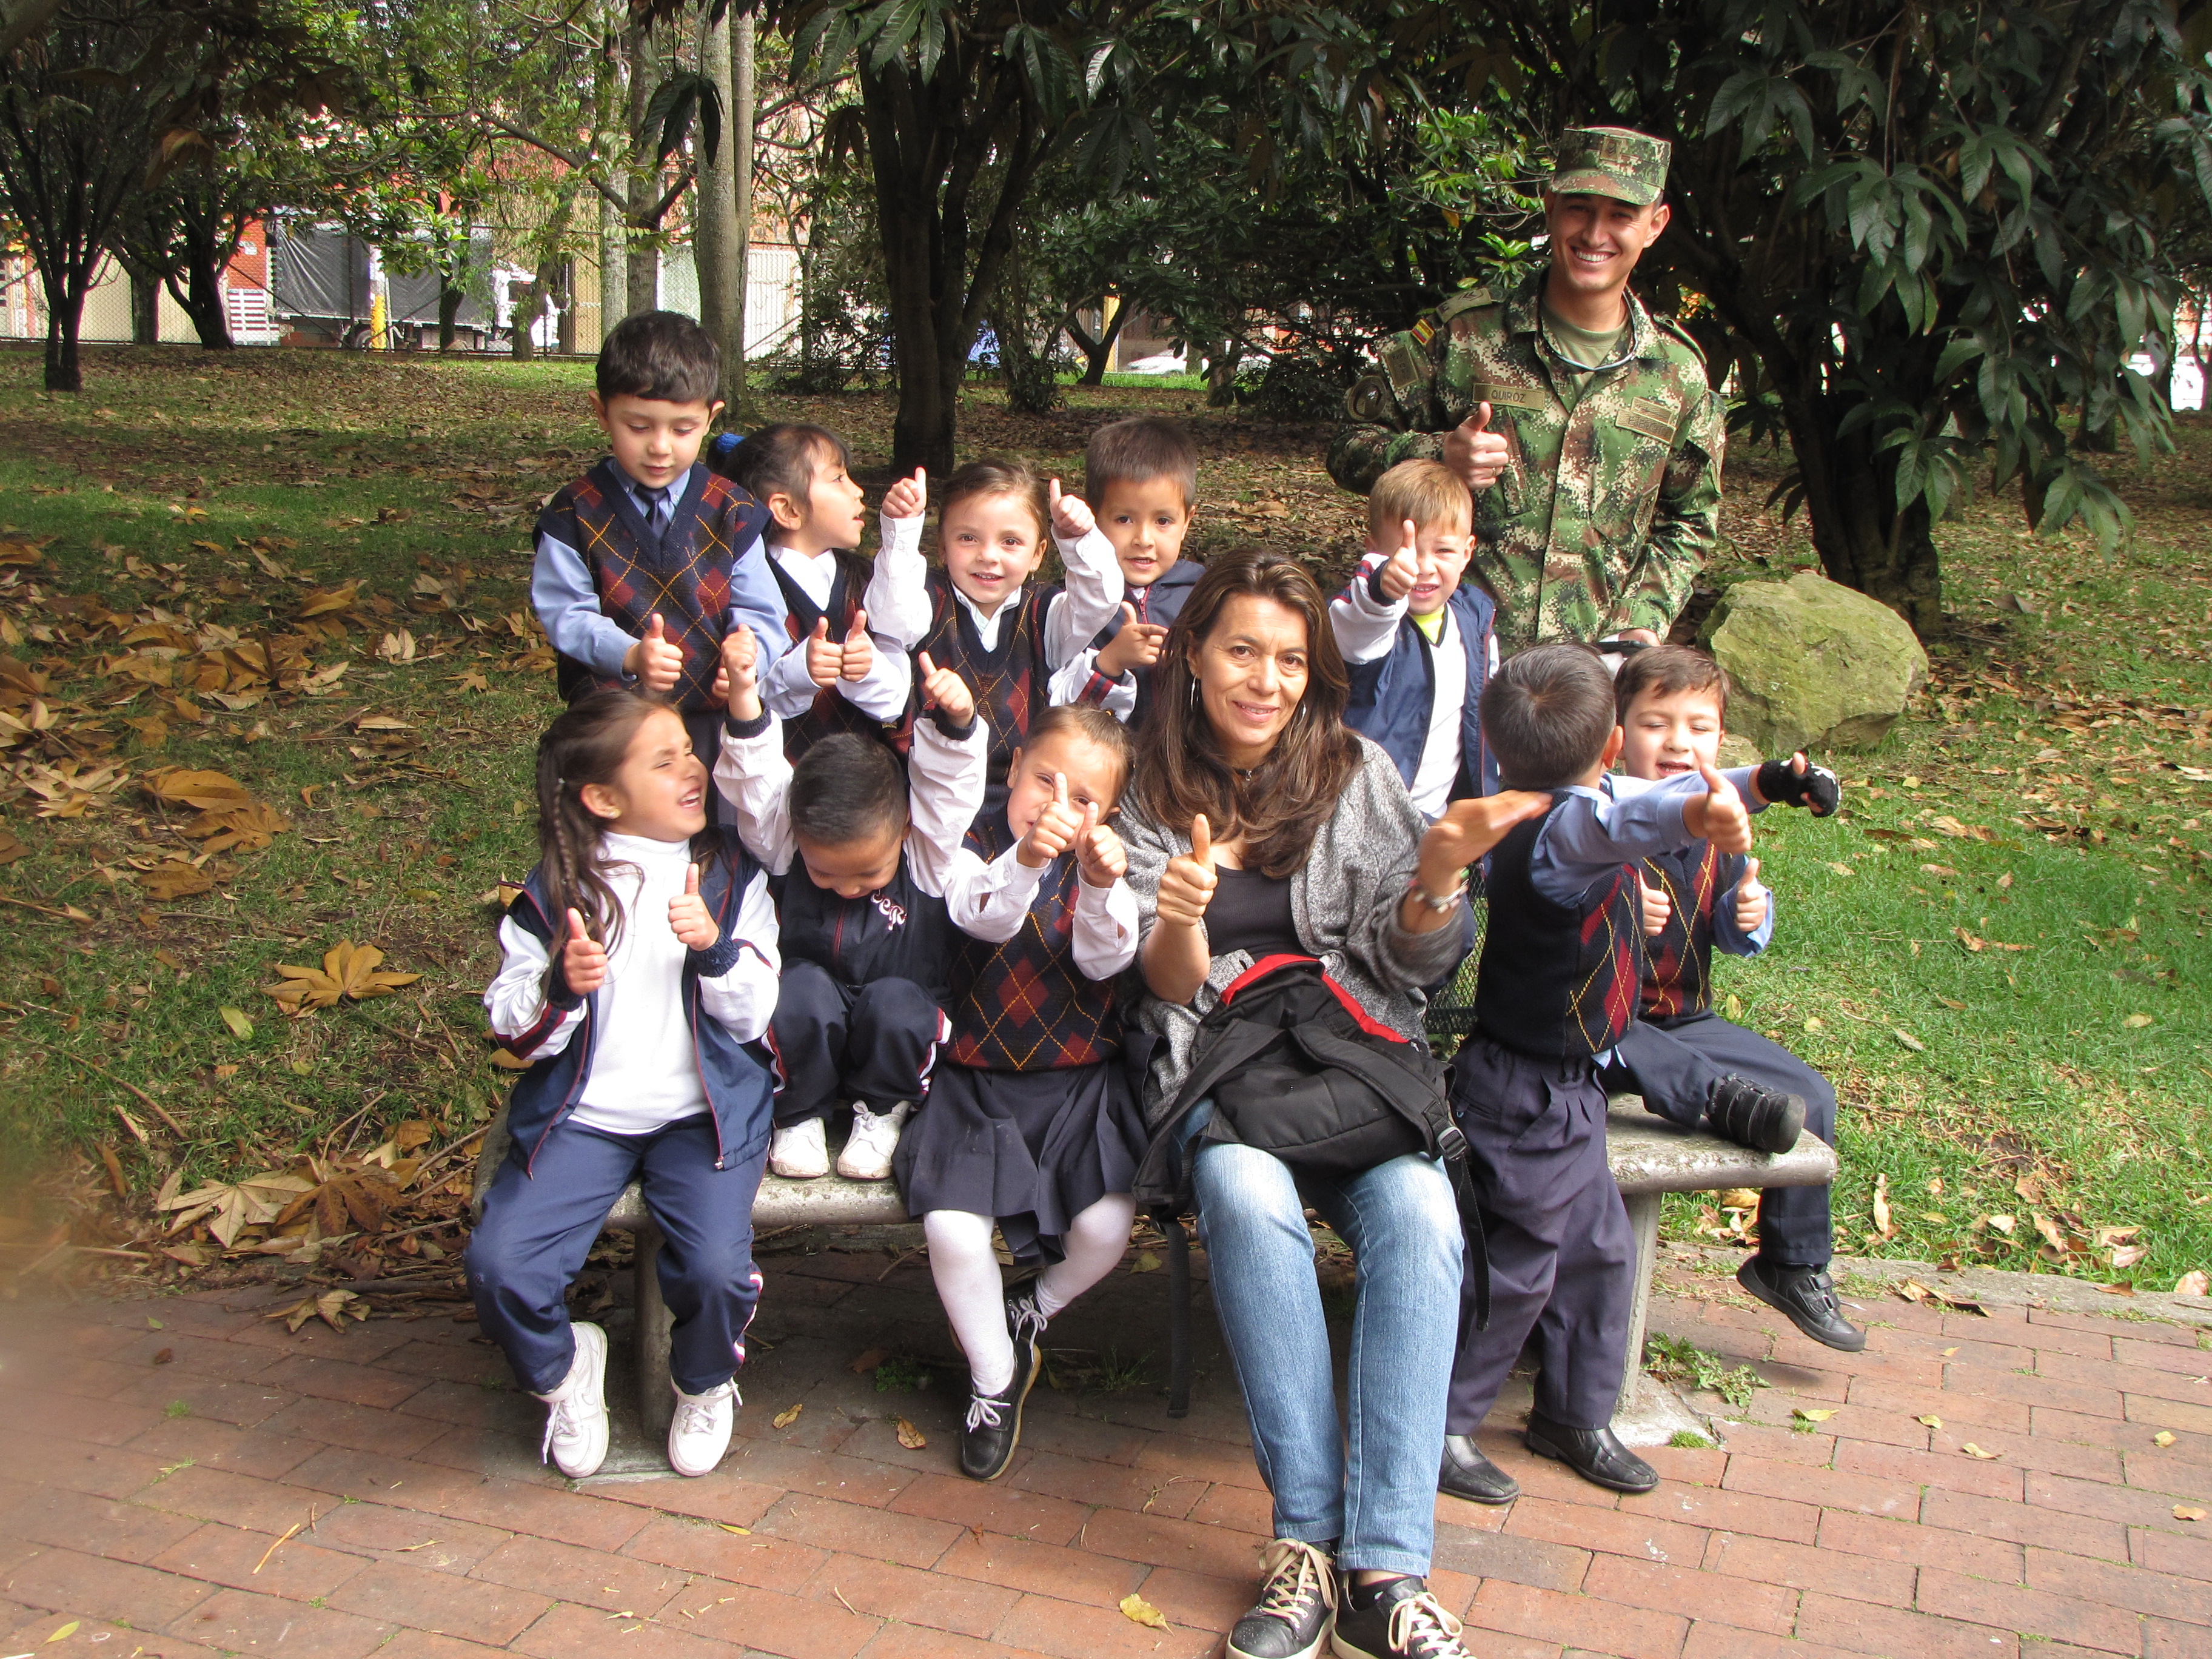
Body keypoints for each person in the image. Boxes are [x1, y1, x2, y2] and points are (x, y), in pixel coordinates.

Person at [1122, 549, 1549, 1659]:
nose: (1265, 679)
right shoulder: (1143, 785)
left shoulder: (1355, 772)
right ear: (1193, 654)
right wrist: (1178, 915)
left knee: (1417, 1211)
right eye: (1241, 651)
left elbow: (1411, 974)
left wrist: (1437, 880)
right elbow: (1166, 988)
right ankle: (1304, 1548)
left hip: (1352, 1065)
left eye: (1289, 659)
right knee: (1236, 1177)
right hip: (1219, 1061)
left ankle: (1385, 1569)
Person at [1438, 643, 1770, 1508]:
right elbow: (1640, 823)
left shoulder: (1559, 796)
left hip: (1570, 1083)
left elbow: (1646, 803)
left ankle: (1572, 1414)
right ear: (1615, 743)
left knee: (1598, 1251)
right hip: (1524, 1094)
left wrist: (1769, 781)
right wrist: (1707, 819)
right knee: (1517, 1268)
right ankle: (1438, 1424)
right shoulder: (1565, 829)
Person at [471, 689, 780, 1481]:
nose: (693, 768)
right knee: (502, 1266)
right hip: (583, 1120)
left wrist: (714, 951)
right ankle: (564, 1370)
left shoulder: (729, 875)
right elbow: (508, 1022)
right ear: (603, 797)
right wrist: (558, 990)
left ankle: (704, 1381)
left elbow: (754, 1017)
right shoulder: (554, 893)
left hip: (699, 1119)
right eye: (665, 759)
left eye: (688, 749)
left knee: (715, 1272)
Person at [1327, 127, 1724, 651]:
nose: (1595, 234)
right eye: (1580, 208)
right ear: (1551, 206)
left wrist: (1640, 622)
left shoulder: (1679, 374)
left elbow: (1691, 520)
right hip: (1451, 660)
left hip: (1588, 676)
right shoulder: (1464, 337)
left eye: (1621, 215)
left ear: (1655, 225)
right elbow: (1347, 446)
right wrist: (1438, 455)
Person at [893, 706, 1144, 1483]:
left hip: (1076, 1083)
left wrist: (1102, 889)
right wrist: (1028, 861)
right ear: (1014, 772)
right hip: (975, 1079)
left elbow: (1107, 964)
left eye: (1083, 800)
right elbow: (982, 917)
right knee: (954, 1231)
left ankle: (1033, 1306)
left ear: (1108, 815)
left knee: (1107, 1226)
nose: (1056, 806)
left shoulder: (1107, 875)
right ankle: (994, 1379)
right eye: (1045, 780)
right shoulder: (967, 851)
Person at [1603, 645, 1863, 1350]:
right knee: (1665, 1064)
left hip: (1686, 1015)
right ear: (1617, 736)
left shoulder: (1722, 823)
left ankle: (1793, 1264)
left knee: (1810, 1094)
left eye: (1699, 727)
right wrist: (1619, 907)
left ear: (1722, 740)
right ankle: (1726, 1103)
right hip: (1598, 1021)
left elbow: (1727, 922)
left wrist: (1748, 915)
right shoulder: (1600, 815)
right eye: (1656, 725)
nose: (1678, 743)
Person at [713, 626, 983, 1182]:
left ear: (905, 830)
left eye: (868, 873)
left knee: (898, 1007)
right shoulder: (788, 840)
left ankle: (882, 1111)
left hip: (894, 1015)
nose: (847, 887)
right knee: (798, 989)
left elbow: (948, 790)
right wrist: (744, 696)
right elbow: (758, 783)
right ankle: (799, 1113)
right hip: (815, 1019)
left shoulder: (924, 854)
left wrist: (956, 722)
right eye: (824, 873)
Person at [532, 311, 786, 779]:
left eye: (682, 429)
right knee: (618, 839)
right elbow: (565, 612)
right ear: (601, 411)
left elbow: (763, 609)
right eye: (639, 427)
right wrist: (626, 654)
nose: (661, 447)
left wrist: (751, 655)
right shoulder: (573, 514)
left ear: (712, 418)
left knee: (717, 831)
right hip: (617, 726)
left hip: (715, 719)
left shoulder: (734, 510)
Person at [865, 456, 1124, 851]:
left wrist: (1079, 540)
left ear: (1038, 553)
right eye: (968, 538)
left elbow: (1099, 600)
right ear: (941, 546)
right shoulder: (924, 602)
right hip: (924, 801)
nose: (989, 555)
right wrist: (901, 531)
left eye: (1010, 542)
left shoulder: (1046, 616)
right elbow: (889, 615)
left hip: (1018, 803)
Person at [722, 422, 922, 760]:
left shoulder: (866, 580)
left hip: (867, 790)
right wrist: (799, 672)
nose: (858, 491)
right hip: (777, 790)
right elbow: (744, 699)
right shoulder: (747, 592)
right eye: (838, 479)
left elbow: (896, 700)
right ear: (788, 510)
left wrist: (868, 670)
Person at [1329, 459, 1498, 819]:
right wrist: (1382, 587)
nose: (1422, 566)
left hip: (1436, 818)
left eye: (1444, 551)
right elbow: (1361, 621)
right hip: (1356, 816)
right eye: (1404, 551)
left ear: (1468, 552)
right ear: (1373, 551)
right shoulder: (1368, 621)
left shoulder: (1476, 621)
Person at [1048, 415, 1204, 723]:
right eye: (1124, 520)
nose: (1143, 540)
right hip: (1110, 763)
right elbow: (1065, 711)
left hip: (1188, 762)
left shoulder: (1204, 595)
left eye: (1163, 521)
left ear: (1187, 521)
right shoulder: (1082, 604)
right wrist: (1111, 662)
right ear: (1094, 517)